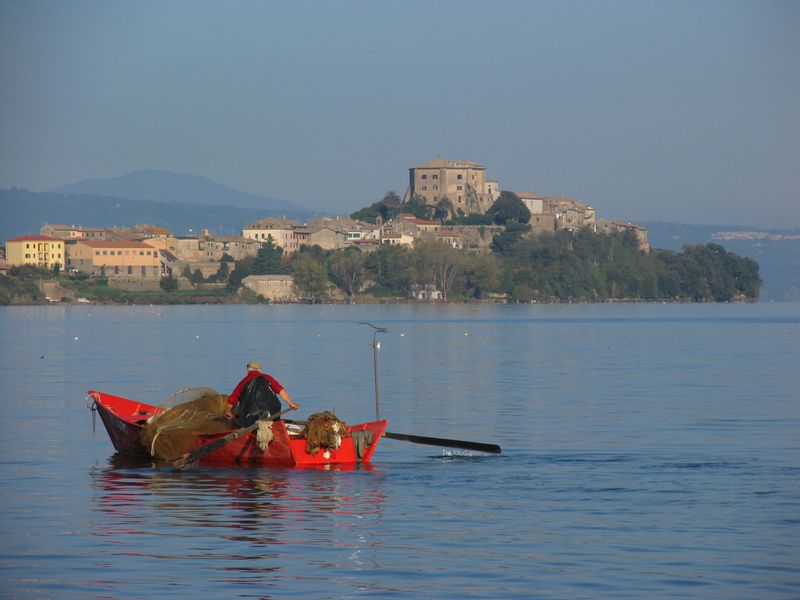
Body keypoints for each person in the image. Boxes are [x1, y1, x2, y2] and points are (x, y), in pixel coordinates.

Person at [226, 361, 299, 425]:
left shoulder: (243, 382)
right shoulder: (268, 377)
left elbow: (231, 400)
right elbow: (281, 391)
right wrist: (290, 403)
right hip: (272, 416)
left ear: (247, 371)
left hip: (249, 420)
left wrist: (228, 411)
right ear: (259, 370)